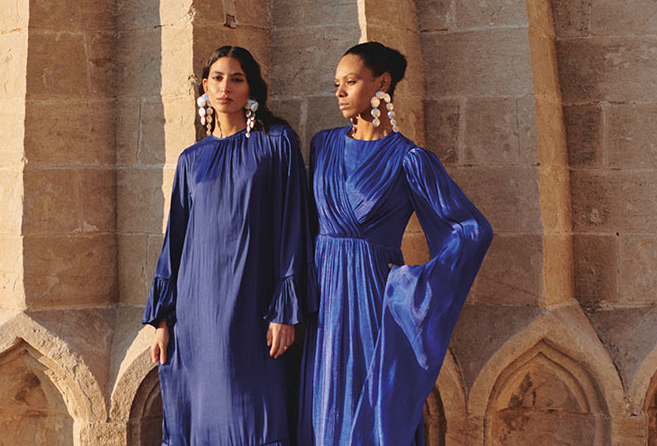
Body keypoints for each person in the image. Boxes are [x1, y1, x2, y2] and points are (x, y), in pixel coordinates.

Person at [298, 42, 493, 446]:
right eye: (337, 83)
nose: (339, 93)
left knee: (371, 406)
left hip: (372, 295)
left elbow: (472, 230)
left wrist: (410, 283)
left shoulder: (410, 159)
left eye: (350, 82)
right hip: (321, 295)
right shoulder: (323, 145)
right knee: (322, 405)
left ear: (382, 83)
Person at [143, 45, 316, 446]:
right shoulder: (192, 159)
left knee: (256, 406)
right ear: (205, 86)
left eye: (237, 78)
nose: (226, 88)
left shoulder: (277, 144)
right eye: (217, 78)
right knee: (201, 410)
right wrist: (163, 321)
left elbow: (294, 223)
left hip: (254, 304)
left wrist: (285, 310)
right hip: (196, 307)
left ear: (251, 87)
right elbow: (176, 241)